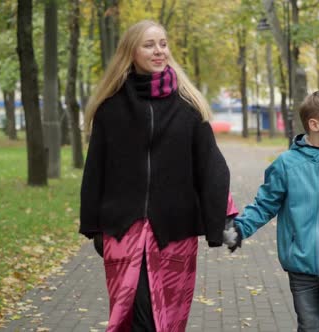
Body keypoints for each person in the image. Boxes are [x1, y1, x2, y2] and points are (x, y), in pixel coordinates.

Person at [79, 20, 237, 332]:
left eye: (163, 44)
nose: (159, 50)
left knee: (169, 321)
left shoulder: (188, 108)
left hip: (175, 234)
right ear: (131, 52)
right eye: (149, 44)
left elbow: (210, 166)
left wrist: (227, 218)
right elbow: (95, 170)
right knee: (135, 318)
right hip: (124, 231)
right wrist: (94, 226)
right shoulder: (109, 110)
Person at [223, 90, 319, 332]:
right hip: (300, 263)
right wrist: (240, 228)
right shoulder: (287, 164)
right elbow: (265, 204)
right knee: (309, 326)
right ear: (314, 124)